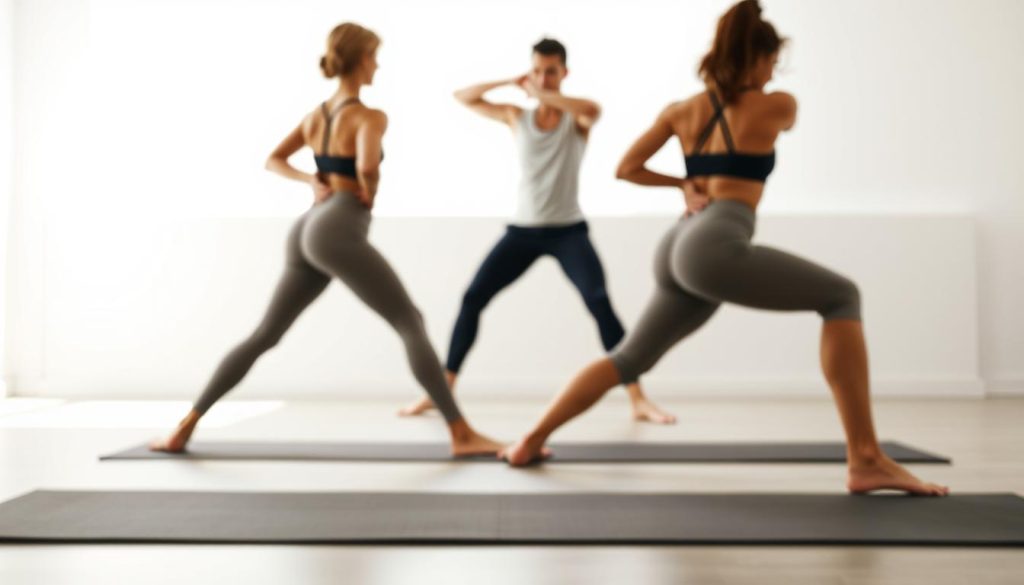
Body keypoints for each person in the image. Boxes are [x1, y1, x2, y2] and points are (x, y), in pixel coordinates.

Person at [500, 1, 949, 496]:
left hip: (678, 241)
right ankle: (865, 457)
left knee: (630, 357)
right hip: (715, 243)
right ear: (756, 57)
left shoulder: (681, 110)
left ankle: (529, 440)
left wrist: (683, 183)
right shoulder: (779, 105)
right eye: (771, 60)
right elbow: (763, 119)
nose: (774, 70)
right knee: (842, 296)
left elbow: (626, 167)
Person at [150, 22, 502, 457]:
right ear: (359, 60)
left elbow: (274, 159)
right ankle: (462, 434)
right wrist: (369, 190)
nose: (377, 65)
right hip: (337, 227)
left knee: (264, 334)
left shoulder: (316, 116)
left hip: (307, 226)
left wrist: (310, 180)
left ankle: (184, 427)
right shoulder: (370, 116)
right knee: (409, 319)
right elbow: (368, 165)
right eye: (374, 56)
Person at [399, 38, 677, 425]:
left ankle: (638, 398)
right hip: (522, 232)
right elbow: (463, 96)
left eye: (551, 71)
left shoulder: (577, 118)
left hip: (568, 232)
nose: (543, 78)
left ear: (564, 73)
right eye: (537, 70)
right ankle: (441, 389)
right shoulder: (516, 115)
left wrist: (544, 94)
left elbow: (592, 110)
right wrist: (511, 83)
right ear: (529, 71)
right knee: (473, 297)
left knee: (599, 302)